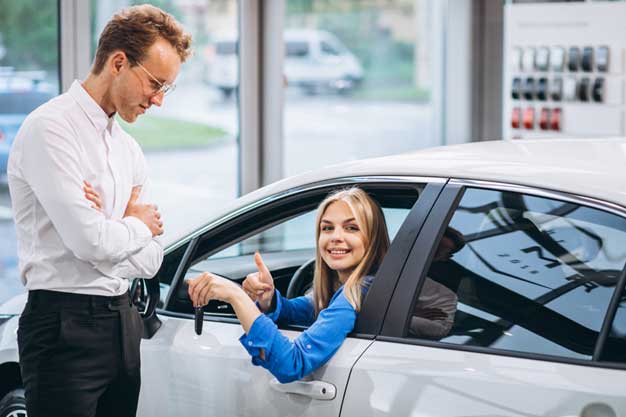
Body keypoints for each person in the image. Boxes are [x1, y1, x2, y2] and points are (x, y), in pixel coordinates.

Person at [7, 5, 192, 417]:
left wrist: (112, 226)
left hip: (123, 322)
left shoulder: (129, 150)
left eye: (167, 89)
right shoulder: (50, 129)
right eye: (155, 83)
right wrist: (132, 225)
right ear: (118, 62)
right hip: (62, 325)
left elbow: (151, 259)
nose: (159, 100)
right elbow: (90, 243)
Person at [188, 187, 389, 383]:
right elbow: (305, 309)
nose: (336, 237)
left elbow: (292, 364)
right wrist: (267, 299)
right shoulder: (358, 288)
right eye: (327, 228)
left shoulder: (354, 294)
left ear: (373, 238)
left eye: (351, 228)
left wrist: (236, 296)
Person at [409, 227, 465, 340]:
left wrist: (406, 316)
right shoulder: (378, 261)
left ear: (446, 257)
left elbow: (439, 330)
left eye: (442, 249)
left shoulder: (445, 296)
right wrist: (407, 314)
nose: (432, 250)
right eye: (432, 244)